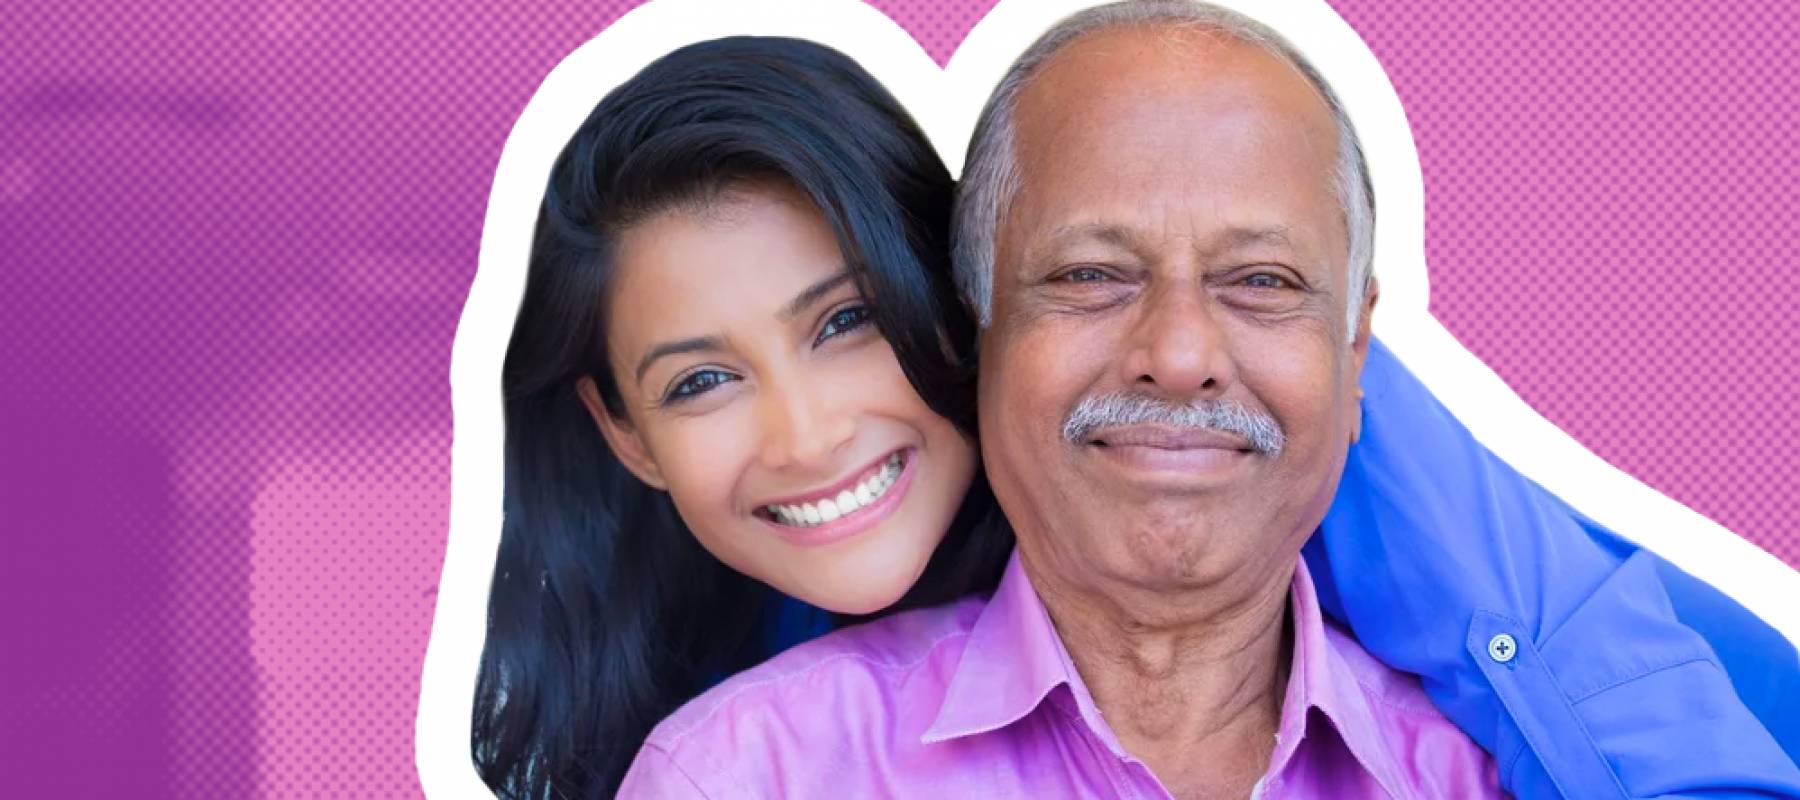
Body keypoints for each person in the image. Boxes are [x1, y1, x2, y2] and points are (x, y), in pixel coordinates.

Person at [477, 27, 1798, 800]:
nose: (808, 431)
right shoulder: (745, 731)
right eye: (700, 379)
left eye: (845, 324)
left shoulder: (1308, 439)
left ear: (950, 303)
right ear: (622, 434)